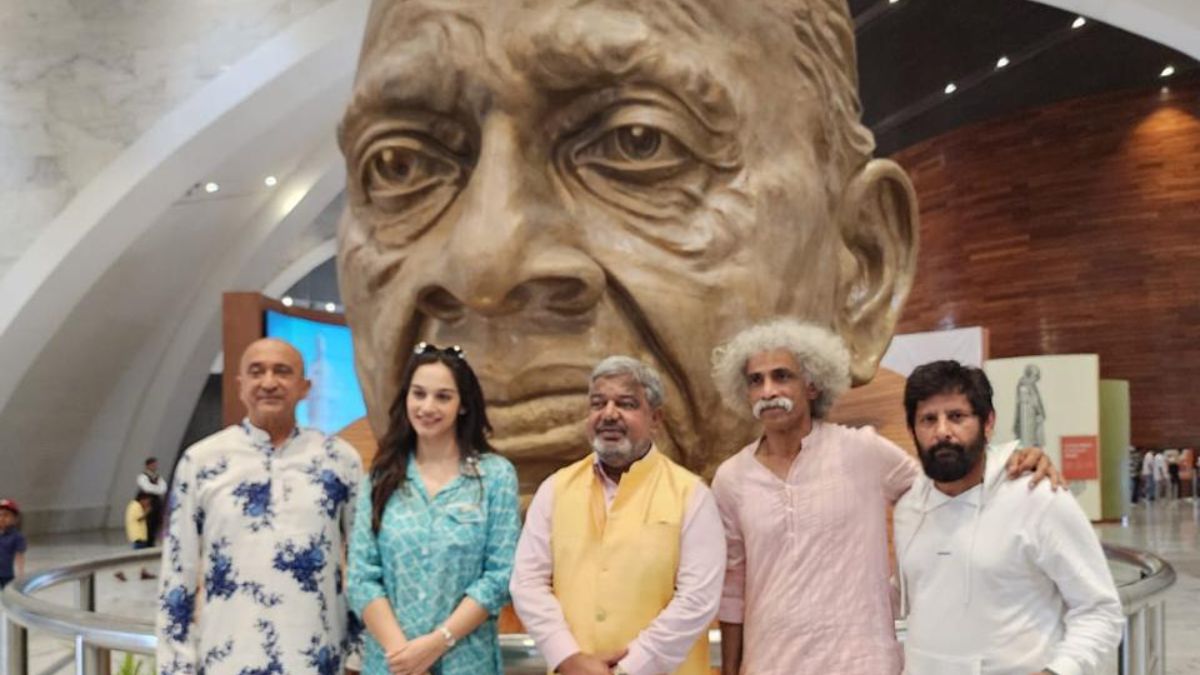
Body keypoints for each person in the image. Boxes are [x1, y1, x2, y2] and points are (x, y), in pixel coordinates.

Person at [336, 0, 921, 490]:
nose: (484, 268)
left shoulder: (897, 498)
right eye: (398, 164)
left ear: (863, 268)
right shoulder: (339, 500)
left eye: (637, 142)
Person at [708, 319, 1060, 675]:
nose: (768, 391)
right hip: (771, 665)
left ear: (812, 385)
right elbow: (732, 590)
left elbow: (948, 483)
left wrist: (1010, 460)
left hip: (862, 663)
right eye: (756, 380)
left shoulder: (863, 451)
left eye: (782, 376)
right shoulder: (732, 479)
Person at [895, 360, 1123, 674]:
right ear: (912, 430)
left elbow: (1100, 610)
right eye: (928, 419)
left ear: (988, 423)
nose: (942, 431)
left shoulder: (1038, 497)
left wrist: (1059, 670)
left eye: (957, 416)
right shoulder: (908, 509)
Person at [156, 338, 363, 675]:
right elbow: (177, 573)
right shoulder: (202, 462)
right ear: (240, 386)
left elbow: (363, 563)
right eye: (257, 372)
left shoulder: (340, 460)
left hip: (317, 659)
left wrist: (358, 656)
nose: (269, 382)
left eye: (282, 371)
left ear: (304, 387)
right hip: (227, 659)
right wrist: (177, 666)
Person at [510, 357, 725, 675]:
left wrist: (628, 668)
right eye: (598, 403)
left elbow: (697, 600)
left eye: (626, 404)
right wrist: (568, 658)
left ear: (655, 419)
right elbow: (527, 583)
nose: (609, 414)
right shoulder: (555, 489)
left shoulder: (691, 495)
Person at [348, 343, 520, 675]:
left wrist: (436, 644)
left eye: (443, 397)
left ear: (463, 405)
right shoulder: (381, 478)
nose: (428, 406)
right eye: (419, 394)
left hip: (466, 663)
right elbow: (361, 576)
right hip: (391, 664)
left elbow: (500, 575)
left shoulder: (495, 476)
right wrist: (404, 656)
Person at [116, 492, 157, 582]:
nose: (148, 503)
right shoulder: (136, 506)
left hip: (139, 535)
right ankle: (121, 571)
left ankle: (143, 572)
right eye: (147, 501)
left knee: (142, 556)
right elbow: (139, 518)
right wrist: (147, 511)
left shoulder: (134, 505)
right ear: (143, 499)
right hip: (138, 535)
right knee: (135, 557)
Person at [137, 457, 168, 542]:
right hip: (146, 502)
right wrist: (157, 489)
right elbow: (147, 488)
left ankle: (152, 540)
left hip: (156, 502)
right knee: (146, 522)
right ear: (147, 466)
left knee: (156, 522)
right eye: (153, 465)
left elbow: (163, 488)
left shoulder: (158, 477)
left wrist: (156, 489)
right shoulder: (142, 477)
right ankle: (144, 541)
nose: (155, 467)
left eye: (155, 465)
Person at [0, 498, 26, 590]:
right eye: (0, 515)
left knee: (7, 593)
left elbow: (19, 556)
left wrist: (20, 573)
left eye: (6, 515)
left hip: (7, 575)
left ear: (15, 519)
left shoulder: (17, 537)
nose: (2, 518)